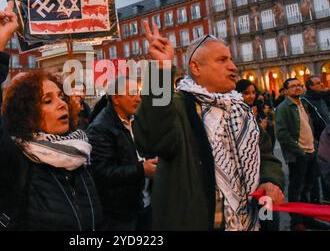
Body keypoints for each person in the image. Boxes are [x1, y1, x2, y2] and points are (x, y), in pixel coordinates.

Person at [0, 1, 102, 231]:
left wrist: (161, 69)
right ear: (26, 112)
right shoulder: (14, 163)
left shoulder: (82, 153)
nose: (61, 104)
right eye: (47, 100)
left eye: (61, 97)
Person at [133, 22, 284, 231]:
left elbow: (265, 155)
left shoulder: (241, 109)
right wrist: (161, 70)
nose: (233, 66)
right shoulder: (178, 104)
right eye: (222, 60)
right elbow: (152, 139)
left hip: (251, 223)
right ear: (196, 67)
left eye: (230, 59)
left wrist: (270, 180)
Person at [87, 76, 157, 231]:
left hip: (144, 205)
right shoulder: (100, 128)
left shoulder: (136, 120)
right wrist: (142, 169)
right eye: (132, 94)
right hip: (119, 216)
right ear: (116, 98)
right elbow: (102, 173)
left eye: (139, 93)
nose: (138, 99)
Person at [275, 78, 329, 231]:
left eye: (299, 85)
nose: (297, 88)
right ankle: (296, 222)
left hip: (311, 151)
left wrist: (315, 146)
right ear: (285, 90)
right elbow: (282, 134)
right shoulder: (283, 108)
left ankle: (308, 219)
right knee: (297, 189)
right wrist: (299, 150)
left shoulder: (303, 104)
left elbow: (308, 126)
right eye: (293, 86)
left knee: (309, 188)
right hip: (299, 155)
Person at [235, 79, 284, 231]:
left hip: (261, 184)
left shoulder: (258, 110)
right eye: (246, 93)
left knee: (268, 220)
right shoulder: (235, 116)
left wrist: (269, 180)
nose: (250, 96)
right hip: (241, 191)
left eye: (253, 93)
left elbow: (266, 151)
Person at [302, 75, 330, 204]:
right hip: (318, 139)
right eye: (318, 83)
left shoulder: (322, 98)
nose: (322, 84)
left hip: (327, 135)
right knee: (322, 169)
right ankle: (323, 198)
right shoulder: (306, 101)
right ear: (311, 86)